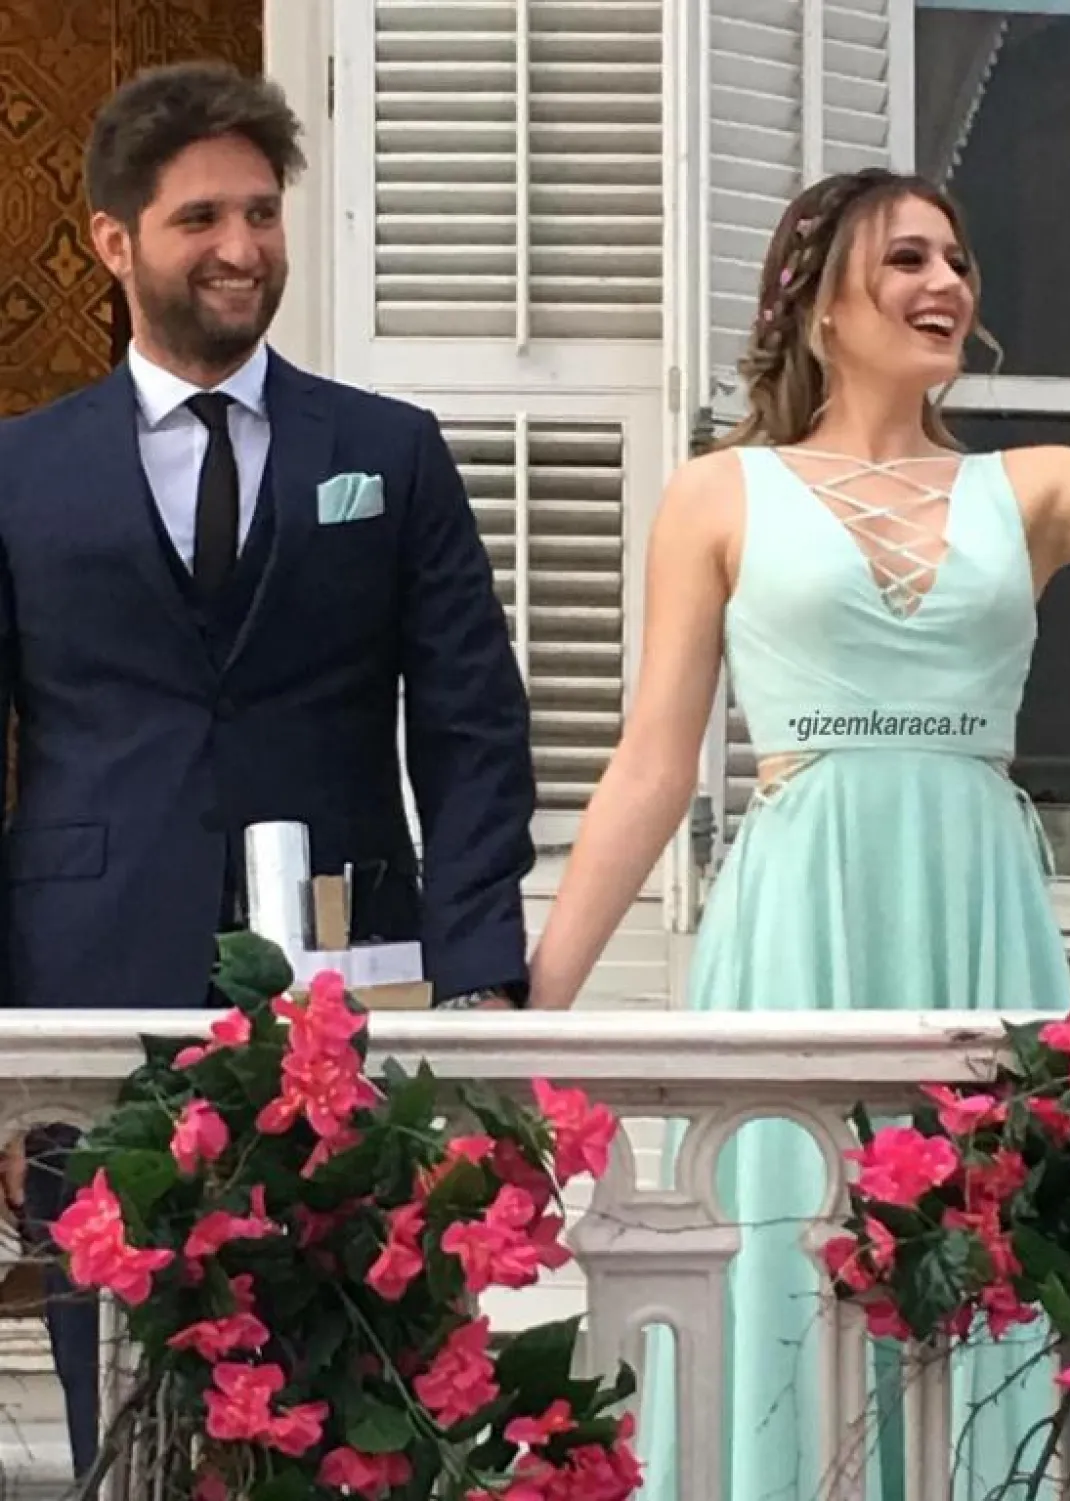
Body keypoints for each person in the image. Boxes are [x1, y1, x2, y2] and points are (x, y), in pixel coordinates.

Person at [525, 165, 1070, 1496]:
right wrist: (538, 1005)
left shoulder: (1030, 492)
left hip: (977, 911)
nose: (946, 283)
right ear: (819, 304)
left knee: (993, 1249)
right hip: (800, 915)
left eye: (956, 261)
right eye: (906, 258)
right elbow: (653, 766)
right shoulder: (720, 494)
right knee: (787, 1251)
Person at [0, 61, 536, 1477]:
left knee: (357, 1406)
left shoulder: (389, 451)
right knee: (129, 1414)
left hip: (348, 989)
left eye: (261, 212)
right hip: (84, 986)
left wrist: (480, 974)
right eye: (199, 219)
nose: (241, 247)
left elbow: (472, 727)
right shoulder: (18, 473)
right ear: (114, 240)